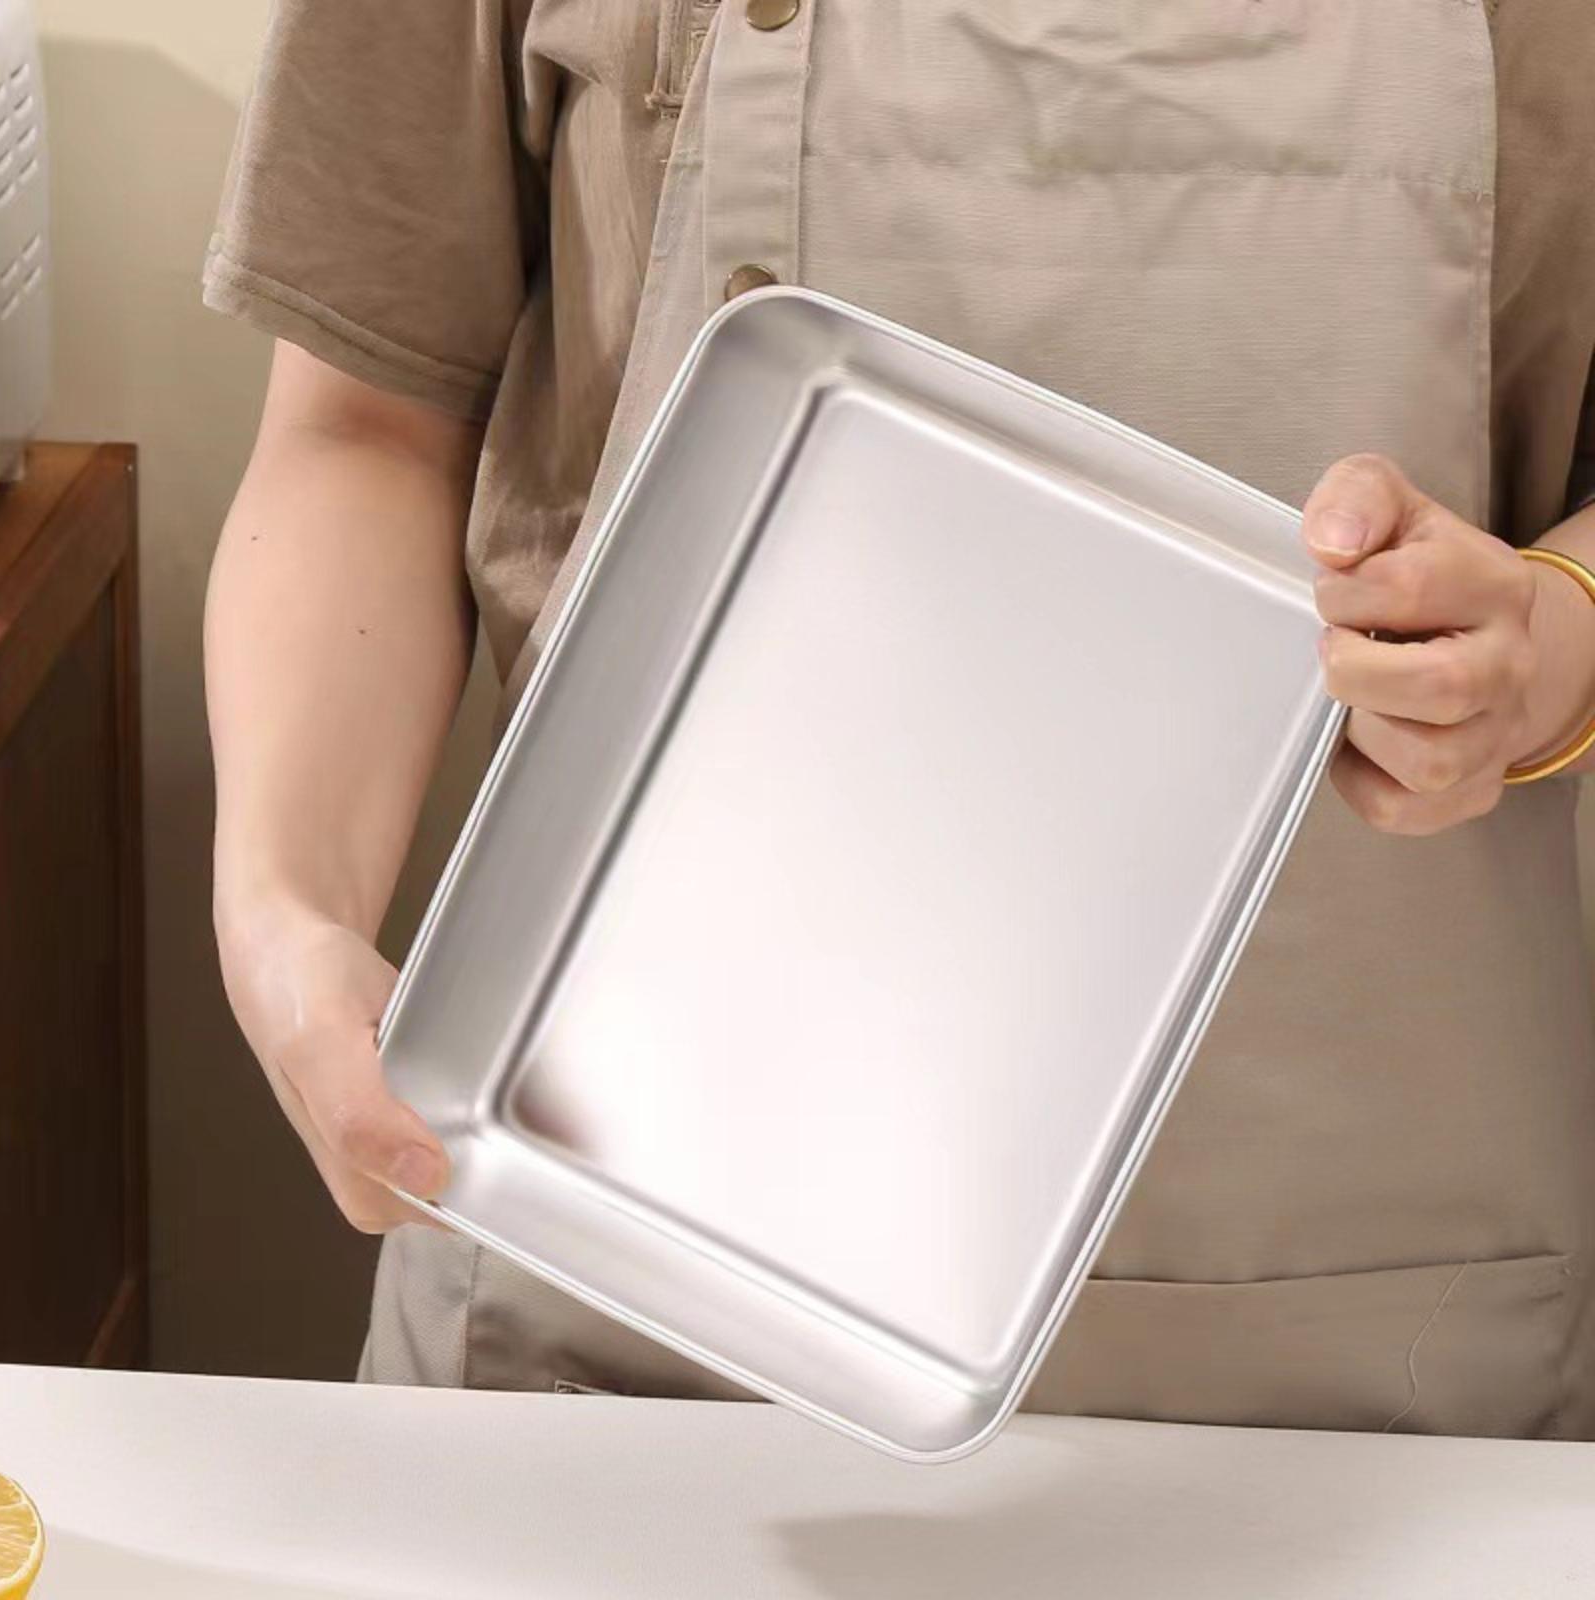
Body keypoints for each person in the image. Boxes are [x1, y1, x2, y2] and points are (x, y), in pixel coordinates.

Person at [205, 1, 1595, 1436]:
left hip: (1389, 1345)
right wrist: (285, 911)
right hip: (613, 1284)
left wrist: (1548, 647)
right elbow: (370, 426)